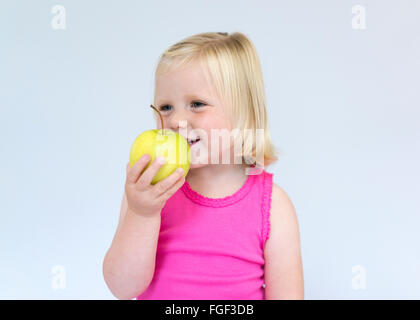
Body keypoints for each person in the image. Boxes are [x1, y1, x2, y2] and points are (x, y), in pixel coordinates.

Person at [103, 32, 304, 300]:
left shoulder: (273, 205)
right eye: (165, 107)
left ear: (244, 113)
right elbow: (123, 288)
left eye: (196, 104)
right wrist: (143, 213)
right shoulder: (149, 190)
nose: (175, 120)